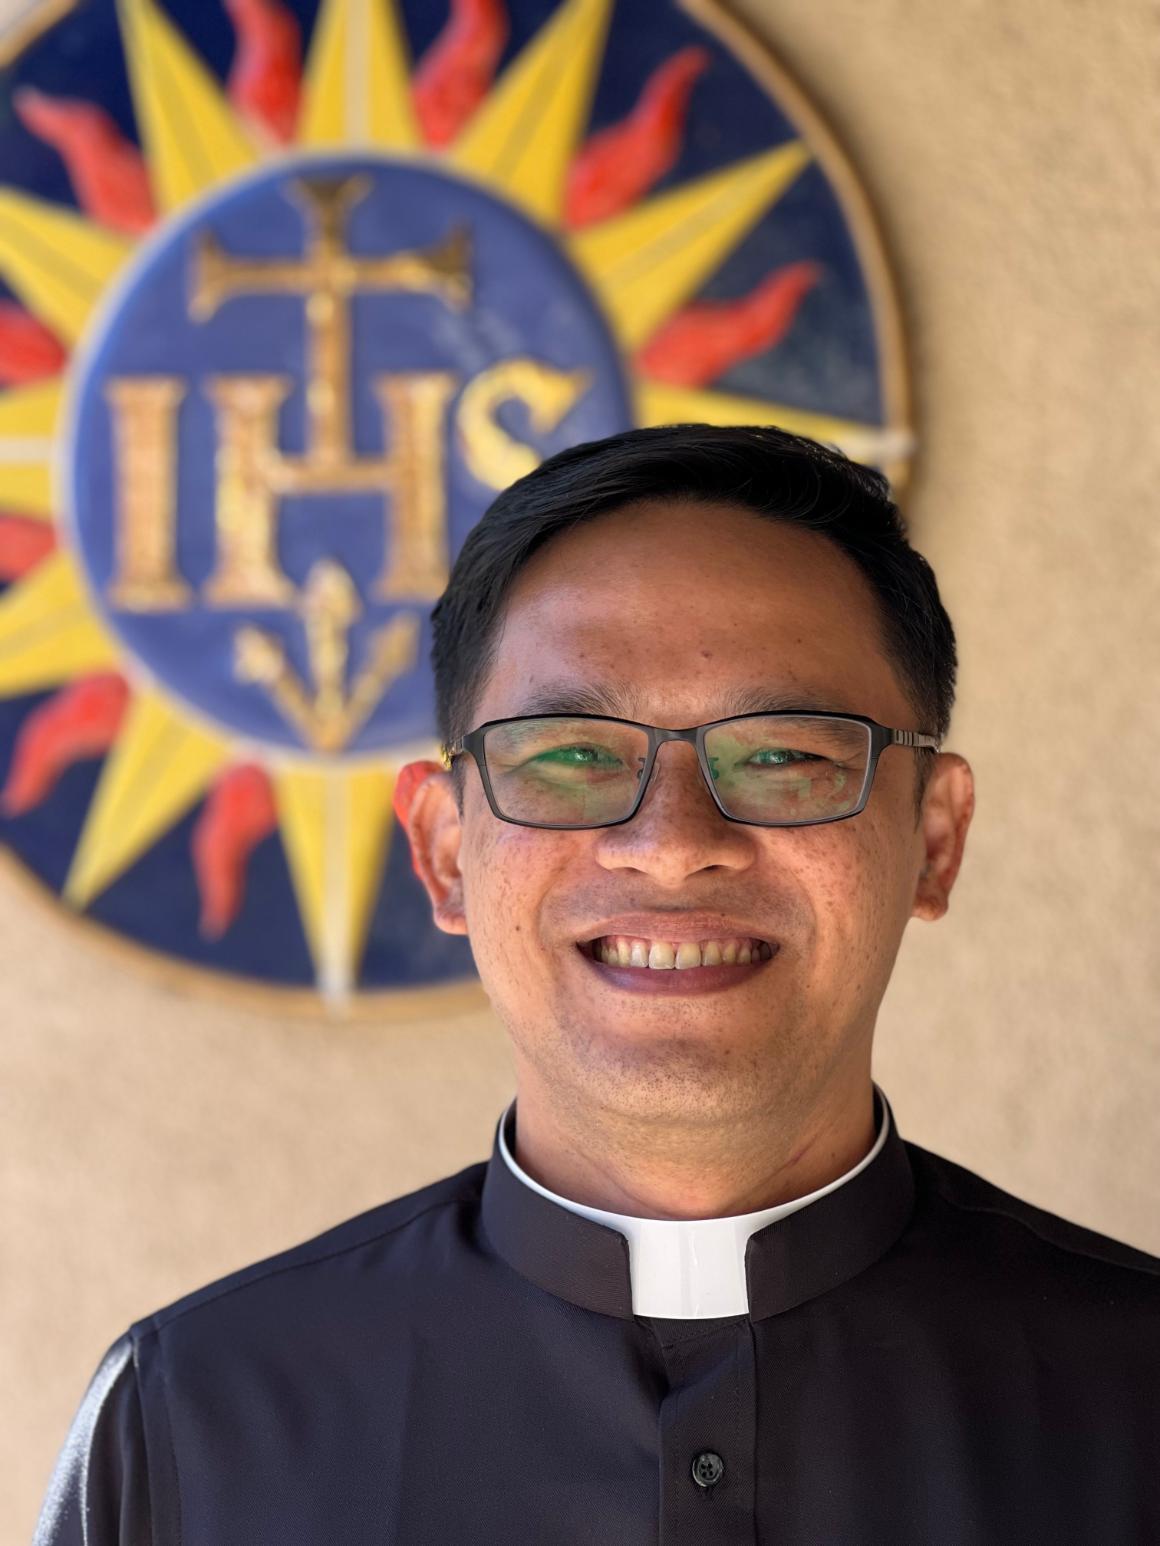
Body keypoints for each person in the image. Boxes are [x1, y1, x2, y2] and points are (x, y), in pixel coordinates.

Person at [34, 424, 1159, 1544]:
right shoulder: (192, 1425)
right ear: (443, 851)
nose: (671, 846)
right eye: (570, 754)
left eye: (780, 755)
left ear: (935, 839)